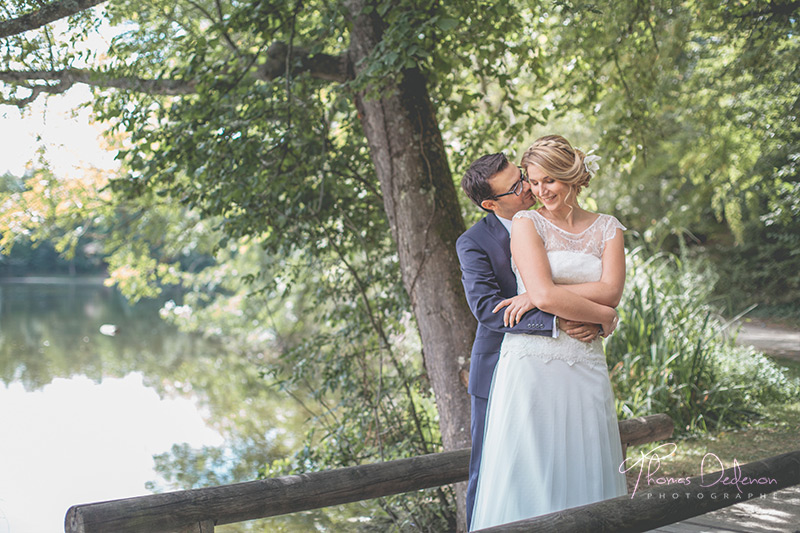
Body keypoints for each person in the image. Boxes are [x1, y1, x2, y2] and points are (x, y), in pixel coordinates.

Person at [468, 135, 628, 531]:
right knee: (516, 466)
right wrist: (597, 315)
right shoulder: (515, 226)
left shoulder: (607, 227)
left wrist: (597, 312)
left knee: (585, 454)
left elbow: (611, 291)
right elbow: (512, 302)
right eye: (527, 183)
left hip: (584, 358)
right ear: (492, 202)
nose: (532, 190)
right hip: (526, 360)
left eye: (540, 180)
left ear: (570, 176)